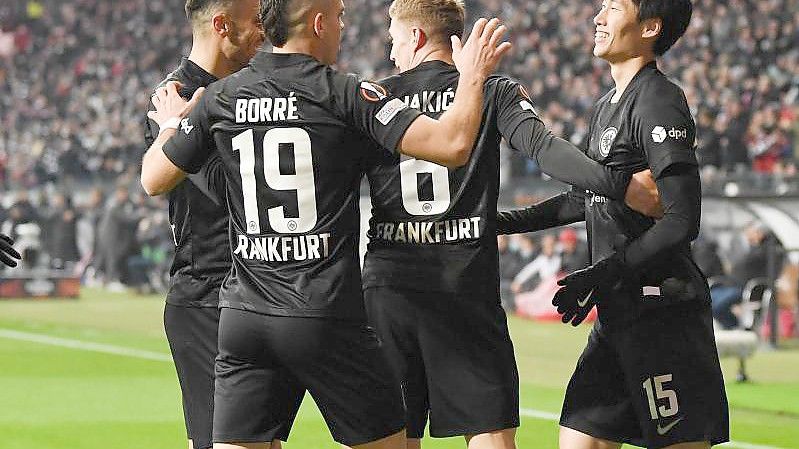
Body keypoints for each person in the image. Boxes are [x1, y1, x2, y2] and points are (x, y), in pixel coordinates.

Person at [141, 0, 512, 446]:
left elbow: (153, 179)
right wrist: (472, 75)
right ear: (318, 23)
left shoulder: (222, 97)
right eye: (338, 16)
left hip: (244, 319)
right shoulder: (344, 93)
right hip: (323, 312)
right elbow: (452, 144)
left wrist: (169, 125)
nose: (343, 26)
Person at [361, 1, 660, 447]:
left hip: (388, 287)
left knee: (394, 437)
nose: (391, 52)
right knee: (490, 437)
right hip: (463, 288)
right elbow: (545, 150)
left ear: (417, 38)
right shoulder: (493, 90)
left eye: (394, 38)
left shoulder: (374, 99)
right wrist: (621, 186)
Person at [497, 0, 729, 447]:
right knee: (579, 440)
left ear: (650, 27)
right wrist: (497, 223)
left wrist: (608, 269)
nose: (598, 18)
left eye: (614, 8)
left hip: (662, 314)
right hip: (619, 312)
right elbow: (581, 200)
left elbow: (682, 220)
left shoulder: (660, 100)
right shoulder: (605, 106)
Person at [142, 1, 275, 448]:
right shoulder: (174, 98)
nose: (264, 30)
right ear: (222, 25)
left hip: (257, 292)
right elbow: (228, 189)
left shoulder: (248, 88)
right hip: (207, 297)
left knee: (264, 441)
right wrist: (180, 126)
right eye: (255, 21)